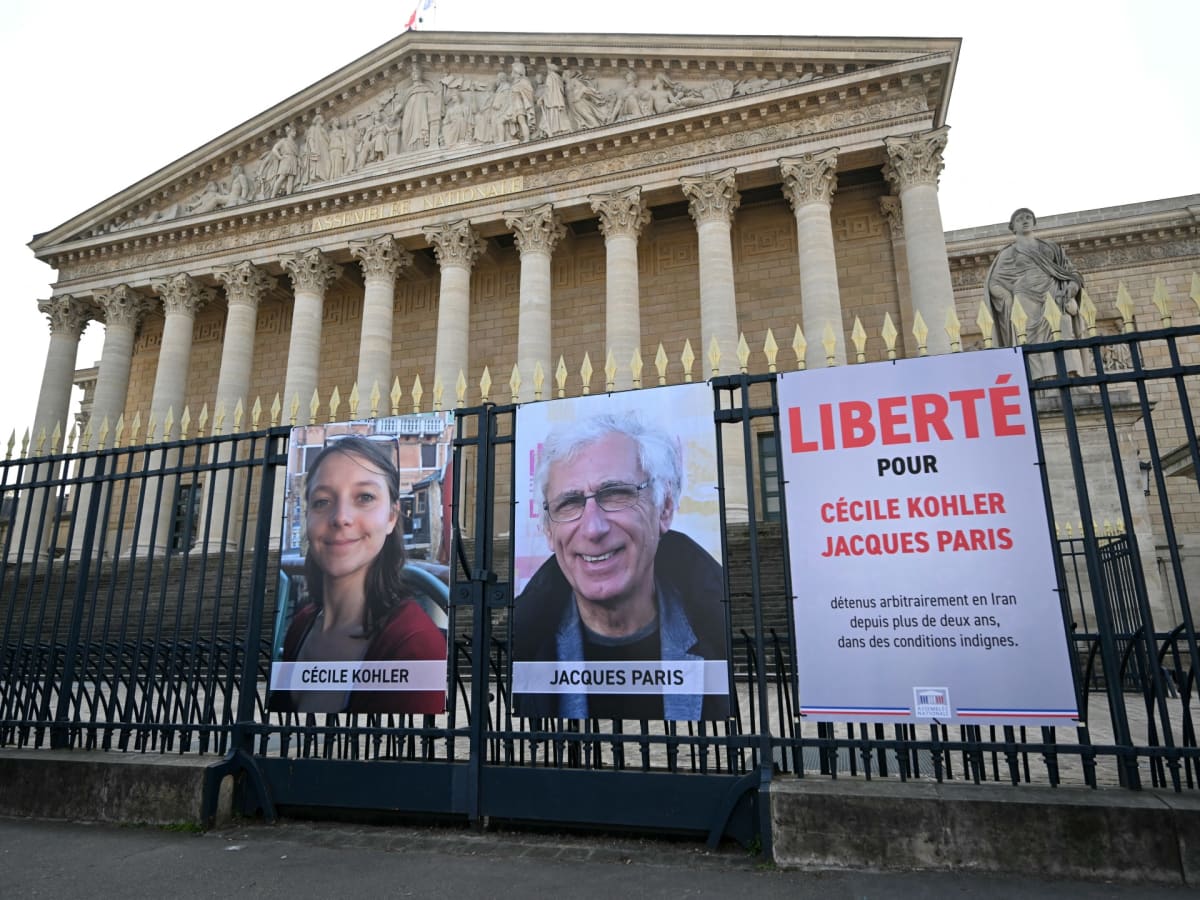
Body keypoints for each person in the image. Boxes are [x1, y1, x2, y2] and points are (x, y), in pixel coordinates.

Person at [513, 412, 729, 721]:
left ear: (665, 507)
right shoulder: (522, 650)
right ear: (548, 531)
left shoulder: (724, 641)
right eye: (570, 503)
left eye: (615, 494)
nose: (593, 529)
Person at [273, 436, 446, 715]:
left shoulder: (416, 642)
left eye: (364, 497)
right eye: (322, 501)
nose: (341, 517)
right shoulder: (301, 624)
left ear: (392, 516)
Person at [986, 208, 1085, 379]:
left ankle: (1070, 375)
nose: (1025, 221)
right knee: (1031, 338)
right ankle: (1042, 381)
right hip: (1025, 297)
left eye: (1028, 217)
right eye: (1019, 219)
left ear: (1034, 222)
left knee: (1064, 325)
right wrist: (1006, 297)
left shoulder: (1051, 247)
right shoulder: (1009, 253)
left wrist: (1073, 286)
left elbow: (1071, 272)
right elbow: (994, 282)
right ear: (1013, 227)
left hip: (1053, 293)